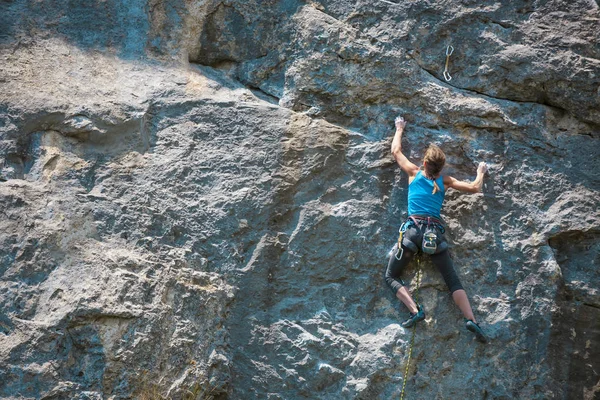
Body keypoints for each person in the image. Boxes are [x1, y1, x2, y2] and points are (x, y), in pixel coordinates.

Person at [385, 116, 488, 343]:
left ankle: (415, 311)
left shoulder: (413, 173)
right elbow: (474, 187)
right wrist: (480, 171)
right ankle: (471, 320)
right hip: (434, 236)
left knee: (391, 275)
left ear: (424, 164)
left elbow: (395, 151)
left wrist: (399, 128)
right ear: (441, 168)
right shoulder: (445, 181)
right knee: (452, 280)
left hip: (412, 233)